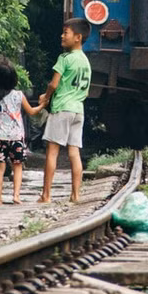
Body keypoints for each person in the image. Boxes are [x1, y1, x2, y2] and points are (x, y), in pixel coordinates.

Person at [38, 18, 92, 204]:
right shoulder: (85, 61)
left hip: (62, 108)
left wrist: (46, 97)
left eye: (66, 33)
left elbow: (53, 84)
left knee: (52, 152)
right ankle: (76, 195)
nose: (62, 36)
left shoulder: (65, 59)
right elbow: (86, 90)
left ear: (78, 37)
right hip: (78, 110)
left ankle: (46, 195)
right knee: (74, 152)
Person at [0, 57, 44, 205]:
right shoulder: (18, 95)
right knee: (17, 166)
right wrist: (43, 105)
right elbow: (31, 112)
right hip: (16, 136)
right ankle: (16, 196)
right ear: (12, 79)